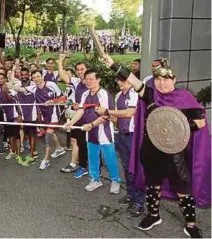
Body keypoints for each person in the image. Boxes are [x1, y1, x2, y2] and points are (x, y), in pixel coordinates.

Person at [102, 54, 210, 238]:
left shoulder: (184, 98)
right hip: (151, 150)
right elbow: (134, 81)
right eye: (158, 79)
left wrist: (177, 127)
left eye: (166, 79)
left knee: (183, 190)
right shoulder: (151, 94)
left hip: (175, 152)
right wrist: (113, 64)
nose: (162, 83)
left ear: (174, 80)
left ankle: (191, 225)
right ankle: (153, 215)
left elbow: (200, 124)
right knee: (153, 185)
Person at [64, 69, 122, 193]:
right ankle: (95, 179)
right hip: (90, 132)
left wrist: (92, 124)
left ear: (98, 80)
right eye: (87, 79)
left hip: (104, 131)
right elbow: (80, 110)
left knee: (109, 157)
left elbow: (106, 115)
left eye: (92, 79)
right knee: (92, 156)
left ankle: (115, 180)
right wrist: (71, 122)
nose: (89, 81)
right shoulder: (85, 94)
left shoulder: (103, 94)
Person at [96, 78, 145, 218]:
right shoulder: (118, 95)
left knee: (136, 168)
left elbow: (129, 113)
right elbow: (117, 118)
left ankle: (139, 202)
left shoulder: (135, 93)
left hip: (134, 136)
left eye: (123, 80)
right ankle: (131, 195)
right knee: (127, 167)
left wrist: (107, 111)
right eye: (118, 80)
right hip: (122, 135)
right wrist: (105, 115)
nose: (120, 83)